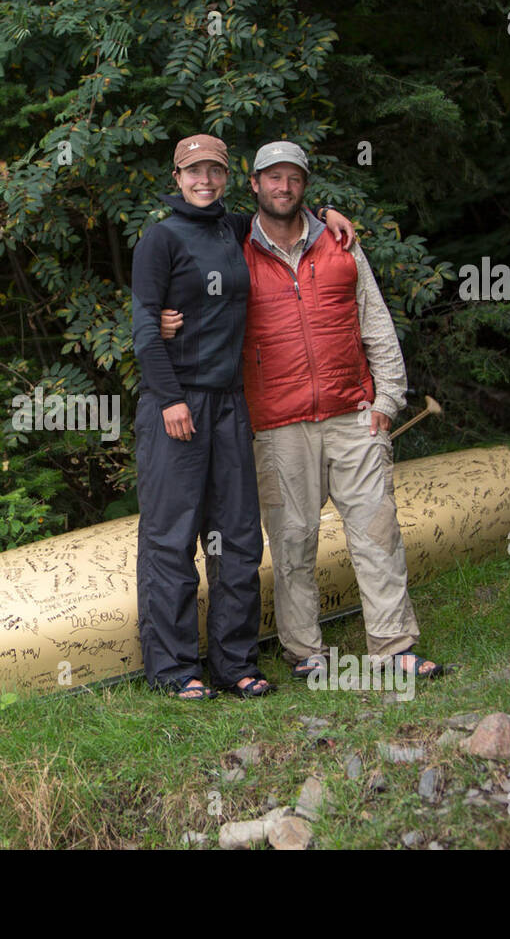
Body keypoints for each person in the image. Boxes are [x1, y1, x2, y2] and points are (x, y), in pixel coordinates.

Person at [160, 140, 442, 683]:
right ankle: (305, 651)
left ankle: (394, 647)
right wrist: (166, 322)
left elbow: (376, 324)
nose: (283, 187)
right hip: (278, 423)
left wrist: (388, 401)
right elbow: (201, 307)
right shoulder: (234, 249)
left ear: (304, 187)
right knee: (292, 542)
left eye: (293, 179)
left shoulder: (341, 245)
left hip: (353, 413)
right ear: (255, 185)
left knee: (377, 531)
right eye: (273, 178)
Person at [131, 134, 355, 699]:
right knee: (171, 536)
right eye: (193, 171)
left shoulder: (234, 231)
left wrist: (328, 213)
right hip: (176, 405)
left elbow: (284, 212)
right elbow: (142, 331)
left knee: (235, 536)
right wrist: (171, 397)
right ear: (177, 176)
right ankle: (175, 668)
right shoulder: (159, 239)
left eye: (214, 170)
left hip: (232, 403)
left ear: (228, 177)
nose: (204, 180)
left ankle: (234, 662)